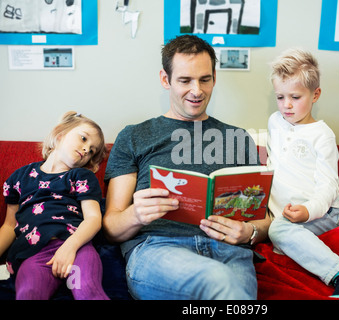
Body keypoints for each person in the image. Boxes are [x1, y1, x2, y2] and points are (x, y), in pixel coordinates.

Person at [102, 34, 271, 300]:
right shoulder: (134, 136)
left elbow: (263, 218)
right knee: (221, 282)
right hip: (158, 247)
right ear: (165, 79)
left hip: (229, 250)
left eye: (205, 79)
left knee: (233, 290)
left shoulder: (239, 138)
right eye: (184, 80)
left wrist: (250, 232)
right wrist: (136, 214)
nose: (197, 90)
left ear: (214, 77)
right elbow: (111, 227)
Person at [266, 48, 339, 298]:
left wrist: (309, 211)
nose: (286, 105)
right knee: (275, 232)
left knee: (278, 232)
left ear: (315, 94)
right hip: (286, 216)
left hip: (326, 213)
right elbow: (272, 165)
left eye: (295, 97)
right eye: (280, 97)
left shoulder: (322, 135)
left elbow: (329, 187)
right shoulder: (274, 122)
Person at [0, 111, 109, 300]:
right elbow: (9, 226)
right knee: (29, 294)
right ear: (60, 135)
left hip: (77, 247)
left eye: (91, 150)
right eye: (83, 139)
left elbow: (93, 218)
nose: (86, 150)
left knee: (87, 290)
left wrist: (70, 247)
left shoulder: (81, 177)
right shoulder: (19, 178)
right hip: (32, 253)